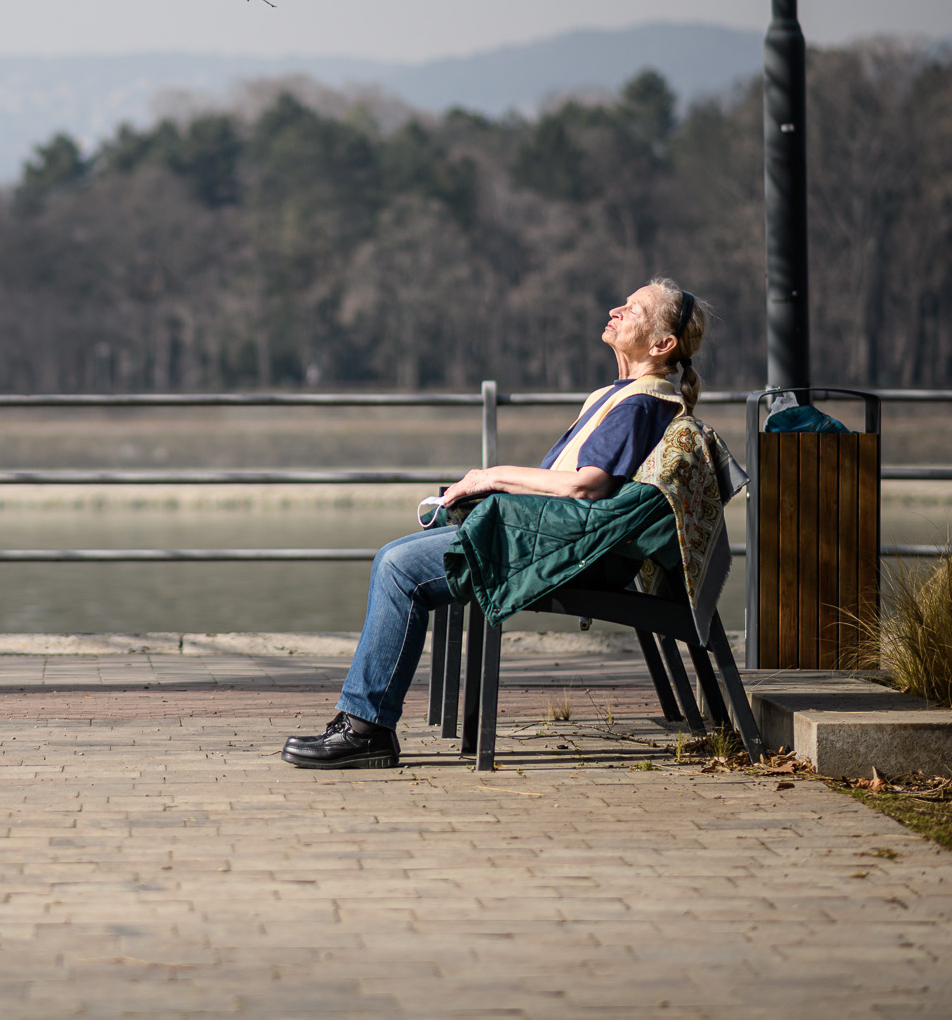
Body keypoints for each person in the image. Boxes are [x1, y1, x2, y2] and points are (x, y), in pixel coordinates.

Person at [282, 277, 710, 769]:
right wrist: (486, 488)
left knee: (399, 566)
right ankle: (362, 723)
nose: (615, 309)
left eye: (632, 309)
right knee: (399, 559)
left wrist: (492, 476)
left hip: (563, 555)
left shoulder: (639, 403)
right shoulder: (624, 396)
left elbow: (584, 486)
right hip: (555, 542)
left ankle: (366, 730)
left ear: (662, 344)